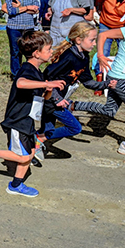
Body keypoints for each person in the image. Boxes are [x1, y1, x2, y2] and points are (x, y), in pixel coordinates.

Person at [0, 31, 65, 197]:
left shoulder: (37, 72)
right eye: (49, 48)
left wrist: (48, 91)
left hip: (28, 120)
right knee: (23, 158)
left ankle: (15, 185)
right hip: (17, 120)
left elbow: (41, 97)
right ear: (37, 53)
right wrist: (46, 82)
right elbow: (20, 83)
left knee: (29, 154)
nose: (51, 51)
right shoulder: (27, 70)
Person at [36, 22, 116, 157]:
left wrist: (106, 84)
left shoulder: (84, 57)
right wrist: (57, 98)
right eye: (92, 40)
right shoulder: (68, 57)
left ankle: (30, 147)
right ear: (78, 40)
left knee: (48, 129)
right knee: (75, 127)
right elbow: (47, 78)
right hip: (52, 99)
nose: (94, 44)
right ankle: (36, 138)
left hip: (59, 99)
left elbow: (88, 82)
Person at [72, 26, 125, 155]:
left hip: (120, 77)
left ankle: (73, 105)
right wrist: (101, 55)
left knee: (109, 111)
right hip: (119, 77)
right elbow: (103, 35)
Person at [5, 0, 40, 79]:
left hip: (29, 26)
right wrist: (28, 7)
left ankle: (30, 73)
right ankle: (16, 75)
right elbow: (11, 11)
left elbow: (36, 10)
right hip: (14, 27)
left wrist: (20, 8)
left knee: (30, 51)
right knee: (15, 51)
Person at [92, 0, 125, 83]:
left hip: (120, 27)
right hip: (105, 24)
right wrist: (99, 9)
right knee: (103, 51)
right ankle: (100, 77)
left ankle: (120, 76)